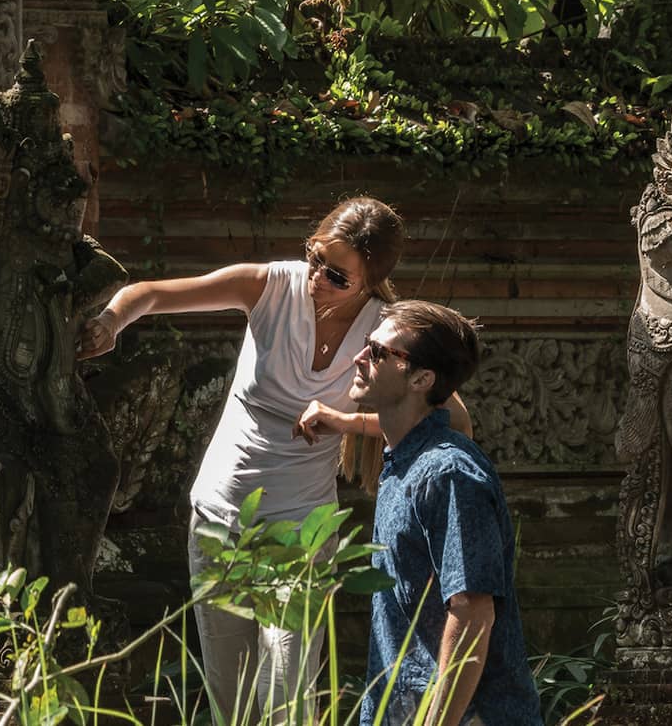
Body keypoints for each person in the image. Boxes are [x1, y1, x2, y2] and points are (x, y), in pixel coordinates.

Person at [77, 197, 426, 725]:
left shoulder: (385, 331)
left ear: (371, 282)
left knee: (288, 696)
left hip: (302, 531)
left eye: (336, 276)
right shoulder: (271, 285)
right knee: (230, 699)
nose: (316, 277)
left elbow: (442, 417)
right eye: (314, 256)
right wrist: (110, 322)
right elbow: (148, 294)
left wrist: (343, 421)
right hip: (222, 516)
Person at [349, 300, 542, 726]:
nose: (361, 356)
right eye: (367, 344)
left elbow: (472, 613)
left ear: (421, 378)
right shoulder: (403, 464)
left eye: (379, 352)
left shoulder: (449, 474)